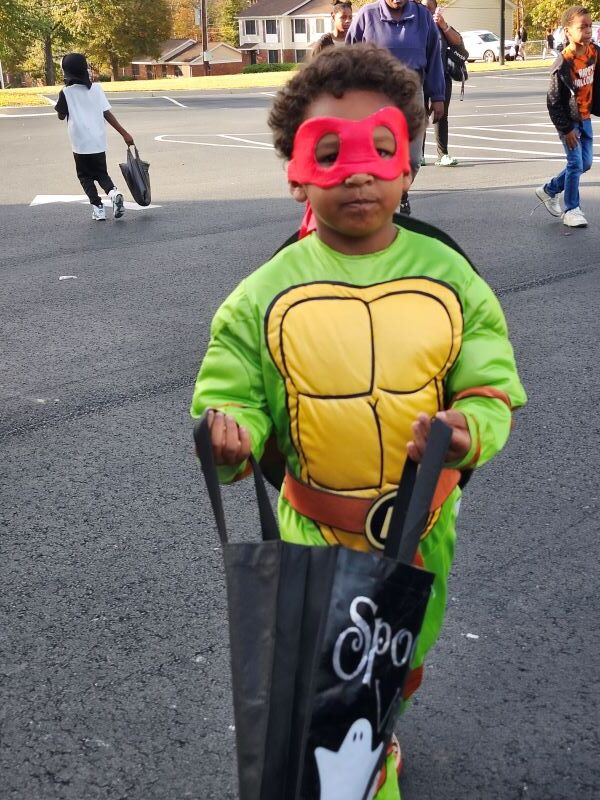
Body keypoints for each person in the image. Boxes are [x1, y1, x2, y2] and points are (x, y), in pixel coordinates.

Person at [191, 43, 526, 799]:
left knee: (402, 658)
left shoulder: (450, 275)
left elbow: (490, 379)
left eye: (382, 149)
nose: (359, 172)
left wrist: (472, 424)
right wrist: (229, 438)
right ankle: (363, 770)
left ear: (409, 164)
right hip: (314, 530)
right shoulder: (262, 295)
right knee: (331, 681)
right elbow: (230, 392)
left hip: (421, 526)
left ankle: (387, 717)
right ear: (296, 170)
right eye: (330, 153)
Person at [346, 0, 446, 215]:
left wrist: (437, 96)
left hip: (412, 91)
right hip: (375, 94)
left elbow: (434, 58)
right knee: (378, 152)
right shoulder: (367, 15)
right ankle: (381, 199)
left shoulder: (422, 16)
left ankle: (400, 192)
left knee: (412, 157)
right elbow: (348, 55)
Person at [536, 6, 600, 228]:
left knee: (586, 163)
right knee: (575, 163)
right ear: (568, 32)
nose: (588, 30)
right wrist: (566, 129)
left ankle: (550, 189)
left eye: (590, 26)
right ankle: (572, 209)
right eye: (582, 27)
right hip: (569, 121)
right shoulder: (563, 63)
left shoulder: (594, 52)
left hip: (585, 118)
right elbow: (553, 101)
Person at [55, 53, 134, 222]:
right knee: (101, 173)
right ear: (84, 69)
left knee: (84, 176)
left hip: (79, 142)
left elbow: (61, 115)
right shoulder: (97, 89)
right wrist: (124, 133)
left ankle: (98, 208)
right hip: (97, 140)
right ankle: (114, 193)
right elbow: (107, 114)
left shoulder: (66, 93)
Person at [421, 0, 463, 166]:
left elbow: (457, 42)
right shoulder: (415, 26)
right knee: (420, 115)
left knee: (441, 115)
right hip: (420, 76)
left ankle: (443, 154)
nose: (428, 12)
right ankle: (419, 155)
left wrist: (443, 24)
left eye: (430, 8)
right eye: (424, 8)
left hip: (441, 76)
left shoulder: (441, 26)